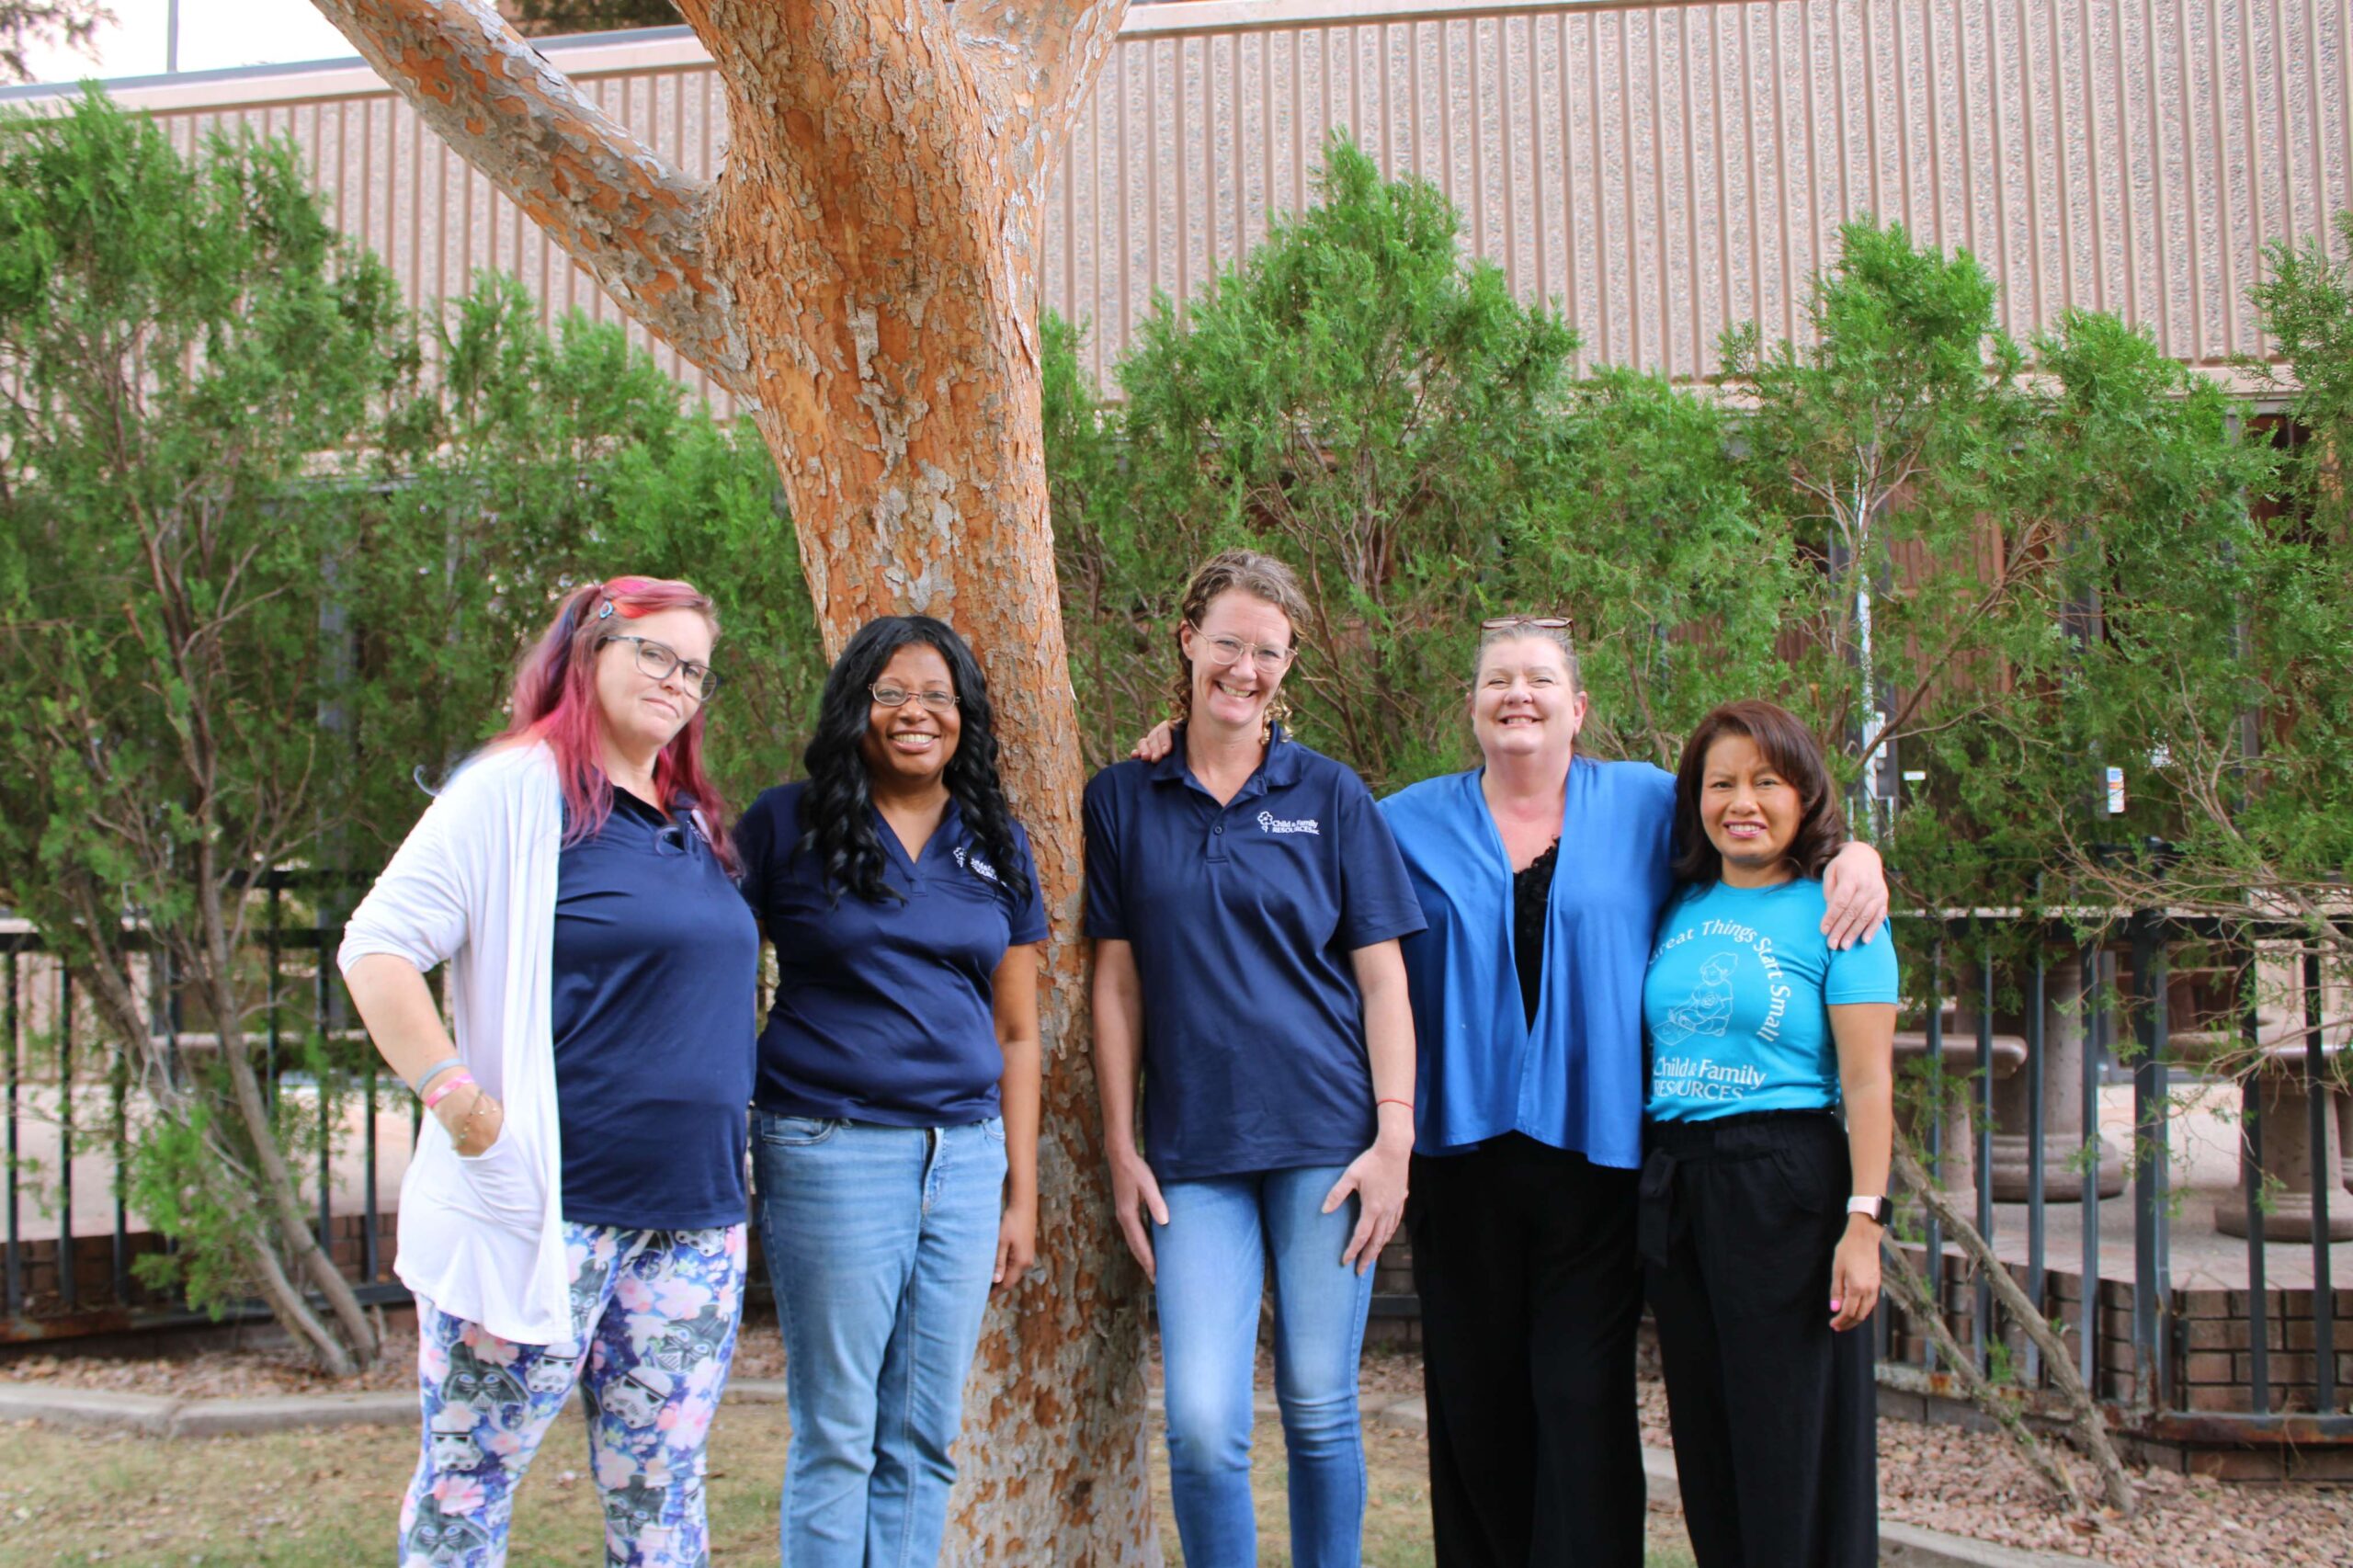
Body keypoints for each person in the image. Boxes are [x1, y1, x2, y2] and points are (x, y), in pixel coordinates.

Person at [1375, 619, 1887, 1568]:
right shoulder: (1400, 821)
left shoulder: (1648, 802)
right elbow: (1290, 855)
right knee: (1475, 1403)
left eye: (1538, 678)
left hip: (1599, 1162)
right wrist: (1176, 733)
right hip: (1460, 1161)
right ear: (1471, 706)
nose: (1516, 694)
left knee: (1580, 1400)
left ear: (1579, 708)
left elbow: (1765, 815)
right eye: (1497, 679)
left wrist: (1857, 855)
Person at [340, 576, 756, 1568]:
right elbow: (378, 946)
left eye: (693, 667)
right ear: (588, 649)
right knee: (467, 1489)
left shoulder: (692, 819)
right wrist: (458, 1101)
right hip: (543, 1217)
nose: (674, 679)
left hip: (693, 1223)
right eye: (652, 651)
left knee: (662, 1499)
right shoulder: (512, 791)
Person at [1086, 549, 1426, 1568]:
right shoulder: (1122, 796)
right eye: (1227, 642)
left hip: (1328, 1140)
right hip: (1191, 1150)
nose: (1244, 666)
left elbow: (1382, 979)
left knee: (1319, 1407)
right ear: (1188, 640)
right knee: (1198, 1419)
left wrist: (1395, 1135)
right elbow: (1116, 982)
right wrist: (1117, 1141)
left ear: (1289, 665)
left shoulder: (1327, 794)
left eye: (1267, 651)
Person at [731, 615, 1045, 1568]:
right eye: (892, 691)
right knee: (837, 1431)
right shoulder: (786, 823)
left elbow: (1019, 1030)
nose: (916, 711)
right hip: (831, 1146)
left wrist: (1020, 1192)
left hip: (963, 1158)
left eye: (938, 695)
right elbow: (715, 972)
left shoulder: (995, 836)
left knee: (923, 1435)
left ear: (966, 716)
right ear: (855, 706)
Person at [1638, 699, 1896, 1568]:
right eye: (1721, 784)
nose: (1740, 802)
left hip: (1784, 1183)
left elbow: (1867, 1079)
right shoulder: (1675, 902)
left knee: (1790, 1443)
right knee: (1708, 1445)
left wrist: (1865, 1222)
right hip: (1679, 1185)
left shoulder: (1840, 905)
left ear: (1804, 794)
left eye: (1765, 781)